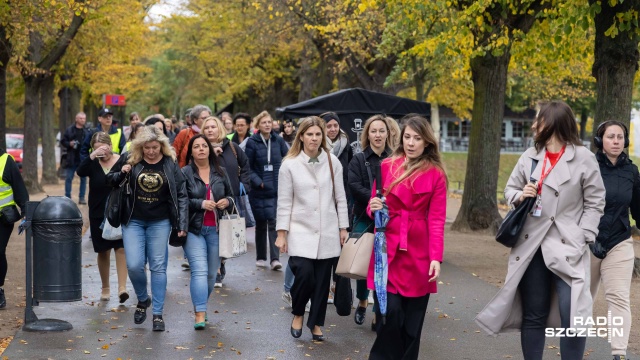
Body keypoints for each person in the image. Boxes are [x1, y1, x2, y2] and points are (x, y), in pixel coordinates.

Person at [475, 101, 606, 360]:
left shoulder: (584, 158)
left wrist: (583, 236)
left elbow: (595, 201)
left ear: (556, 124)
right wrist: (520, 195)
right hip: (532, 243)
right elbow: (509, 190)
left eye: (540, 120)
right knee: (534, 312)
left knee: (573, 314)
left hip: (568, 244)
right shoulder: (530, 156)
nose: (535, 125)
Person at [366, 115, 447, 359]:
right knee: (389, 315)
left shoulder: (436, 175)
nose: (411, 143)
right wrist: (374, 208)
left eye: (417, 138)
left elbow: (436, 220)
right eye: (407, 137)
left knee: (412, 325)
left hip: (419, 253)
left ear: (427, 142)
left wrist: (436, 258)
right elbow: (372, 206)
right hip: (388, 251)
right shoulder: (387, 166)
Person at [106, 126, 188, 331]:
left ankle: (158, 314)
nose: (151, 151)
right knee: (134, 265)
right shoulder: (129, 158)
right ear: (140, 147)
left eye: (155, 147)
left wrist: (181, 223)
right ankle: (143, 299)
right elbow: (109, 180)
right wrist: (122, 172)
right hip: (133, 220)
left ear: (162, 146)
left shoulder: (169, 163)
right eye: (147, 148)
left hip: (160, 221)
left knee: (158, 267)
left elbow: (181, 193)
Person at [275, 116, 349, 341]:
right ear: (301, 136)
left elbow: (340, 197)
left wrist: (342, 227)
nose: (314, 138)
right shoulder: (290, 164)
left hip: (327, 229)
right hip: (300, 230)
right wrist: (281, 233)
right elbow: (285, 201)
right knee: (305, 275)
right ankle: (298, 312)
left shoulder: (332, 162)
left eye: (318, 134)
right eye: (310, 134)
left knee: (322, 282)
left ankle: (316, 322)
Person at [590, 120, 639, 360]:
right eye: (611, 137)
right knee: (580, 298)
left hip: (619, 242)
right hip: (587, 241)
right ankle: (573, 347)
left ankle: (618, 353)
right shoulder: (587, 167)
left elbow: (638, 209)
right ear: (600, 141)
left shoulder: (631, 171)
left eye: (620, 137)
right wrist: (587, 237)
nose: (616, 141)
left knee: (619, 297)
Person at [182, 134, 234, 329]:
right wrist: (201, 203)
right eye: (197, 146)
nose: (201, 149)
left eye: (205, 146)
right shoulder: (185, 173)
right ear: (192, 151)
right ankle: (200, 313)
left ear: (210, 150)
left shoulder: (220, 172)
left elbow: (231, 195)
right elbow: (181, 201)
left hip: (216, 230)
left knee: (212, 274)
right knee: (200, 271)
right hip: (194, 229)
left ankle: (201, 304)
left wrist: (227, 202)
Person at [348, 114, 393, 328]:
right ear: (368, 134)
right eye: (373, 131)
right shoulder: (358, 158)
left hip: (387, 220)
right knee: (363, 262)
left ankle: (378, 312)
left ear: (387, 133)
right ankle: (363, 301)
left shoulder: (394, 159)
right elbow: (354, 185)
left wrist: (385, 203)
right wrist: (374, 199)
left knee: (382, 265)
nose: (377, 135)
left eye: (381, 131)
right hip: (363, 218)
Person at [76, 132, 129, 303]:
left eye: (104, 149)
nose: (101, 153)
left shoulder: (122, 160)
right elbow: (80, 171)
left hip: (118, 211)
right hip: (98, 211)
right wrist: (91, 156)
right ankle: (105, 287)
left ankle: (122, 288)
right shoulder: (92, 163)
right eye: (97, 149)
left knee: (121, 248)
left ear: (111, 146)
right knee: (103, 250)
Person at [201, 116, 252, 287]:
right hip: (208, 199)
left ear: (220, 129)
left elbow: (245, 165)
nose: (210, 130)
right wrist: (210, 155)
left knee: (225, 233)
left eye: (213, 127)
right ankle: (214, 270)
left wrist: (242, 185)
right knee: (212, 234)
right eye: (206, 127)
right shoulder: (200, 148)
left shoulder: (232, 147)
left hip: (229, 199)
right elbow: (191, 168)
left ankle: (220, 262)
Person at [245, 110, 288, 270]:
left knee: (274, 223)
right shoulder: (252, 142)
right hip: (259, 190)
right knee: (261, 223)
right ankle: (261, 257)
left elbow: (288, 159)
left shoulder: (278, 140)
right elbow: (247, 166)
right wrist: (258, 182)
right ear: (258, 125)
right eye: (264, 122)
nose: (267, 125)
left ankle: (275, 259)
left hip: (276, 188)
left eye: (269, 122)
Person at [0, 147, 28, 309]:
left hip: (3, 218)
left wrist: (26, 211)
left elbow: (19, 189)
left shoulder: (6, 161)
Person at [61, 112, 89, 204]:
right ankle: (67, 197)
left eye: (84, 118)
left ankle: (82, 197)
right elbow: (63, 141)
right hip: (71, 158)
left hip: (82, 158)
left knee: (83, 179)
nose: (83, 120)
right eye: (81, 118)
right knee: (69, 178)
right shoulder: (69, 130)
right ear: (76, 119)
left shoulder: (87, 131)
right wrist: (70, 144)